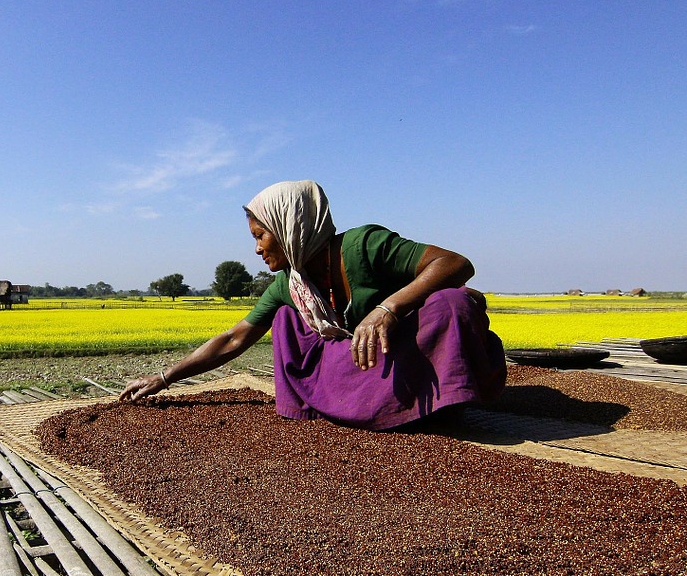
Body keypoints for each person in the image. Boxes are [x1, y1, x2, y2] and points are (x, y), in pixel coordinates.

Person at [119, 180, 506, 430]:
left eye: (260, 235)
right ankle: (382, 409)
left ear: (290, 225)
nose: (256, 248)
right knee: (288, 321)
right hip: (368, 368)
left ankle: (433, 405)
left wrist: (387, 309)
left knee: (451, 303)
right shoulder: (290, 283)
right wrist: (165, 378)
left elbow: (456, 264)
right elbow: (235, 338)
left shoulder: (363, 246)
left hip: (409, 356)